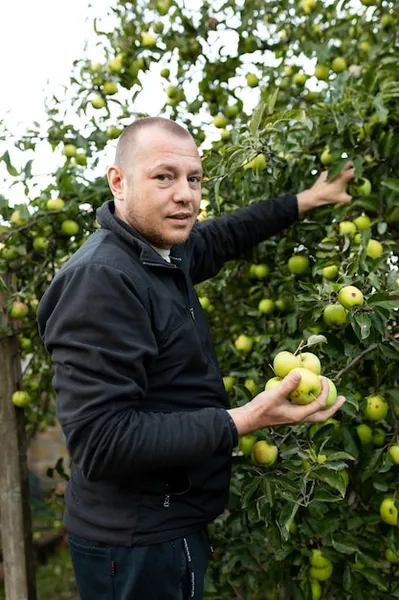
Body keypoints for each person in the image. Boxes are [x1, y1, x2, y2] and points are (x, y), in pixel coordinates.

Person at [37, 116, 354, 600]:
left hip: (166, 525)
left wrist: (303, 201)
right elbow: (101, 442)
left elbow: (226, 234)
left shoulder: (159, 252)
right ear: (118, 182)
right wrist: (244, 420)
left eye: (194, 178)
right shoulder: (102, 280)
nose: (186, 194)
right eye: (164, 176)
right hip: (138, 543)